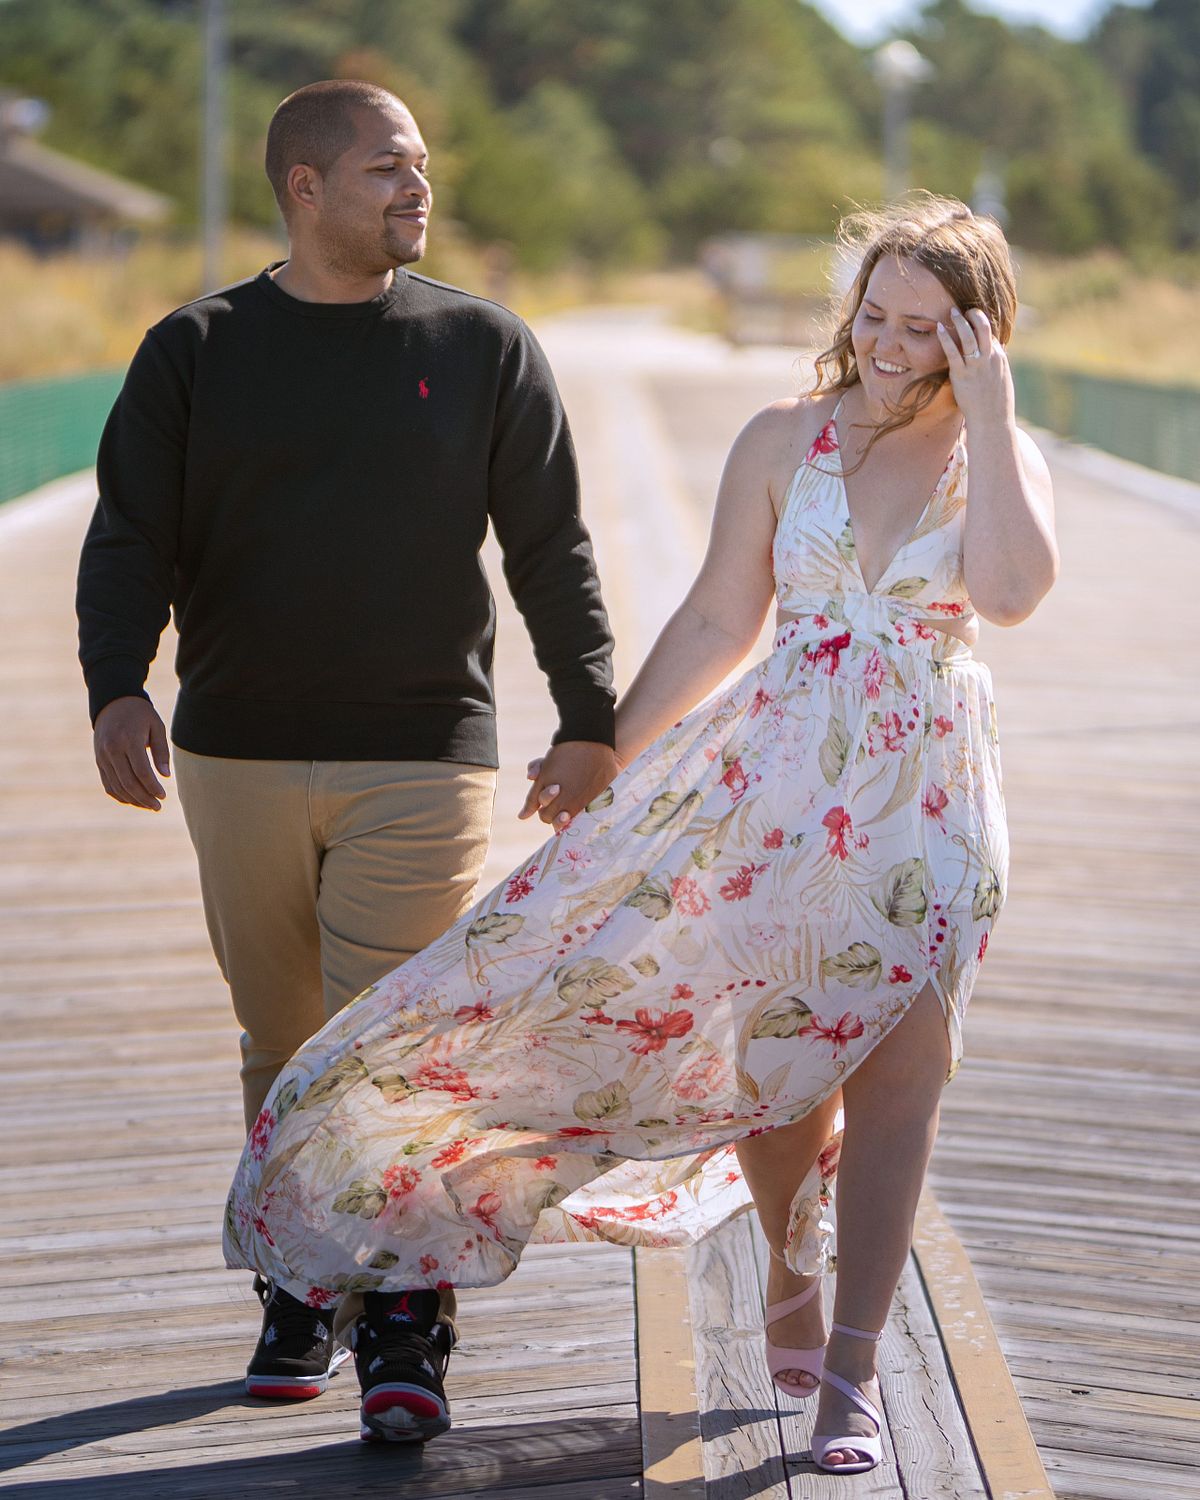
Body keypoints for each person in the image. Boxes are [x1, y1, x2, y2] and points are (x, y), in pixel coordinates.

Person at [225, 193, 1058, 1469]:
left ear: (982, 334)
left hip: (933, 805)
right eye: (875, 315)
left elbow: (1007, 593)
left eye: (927, 328)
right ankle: (791, 1267)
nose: (890, 345)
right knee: (779, 1074)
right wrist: (604, 748)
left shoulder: (996, 455)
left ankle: (852, 1373)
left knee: (902, 1085)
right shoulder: (787, 439)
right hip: (780, 795)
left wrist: (992, 419)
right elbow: (724, 616)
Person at [76, 80, 618, 1422]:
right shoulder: (195, 348)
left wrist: (589, 713)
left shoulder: (484, 346)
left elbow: (550, 546)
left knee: (399, 1045)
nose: (416, 189)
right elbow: (130, 533)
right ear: (303, 186)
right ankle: (300, 1278)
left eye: (423, 166)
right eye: (387, 168)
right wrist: (114, 685)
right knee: (284, 1043)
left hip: (424, 753)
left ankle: (405, 1321)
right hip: (238, 750)